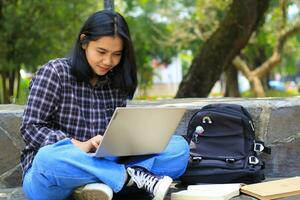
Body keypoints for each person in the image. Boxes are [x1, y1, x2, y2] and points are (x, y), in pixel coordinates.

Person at [20, 10, 189, 200]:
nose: (108, 61)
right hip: (58, 173)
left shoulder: (116, 82)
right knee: (47, 159)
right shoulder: (55, 72)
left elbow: (115, 140)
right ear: (84, 42)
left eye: (116, 54)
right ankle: (128, 177)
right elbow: (30, 128)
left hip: (103, 161)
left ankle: (104, 182)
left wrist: (131, 141)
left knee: (179, 148)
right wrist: (80, 145)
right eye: (101, 52)